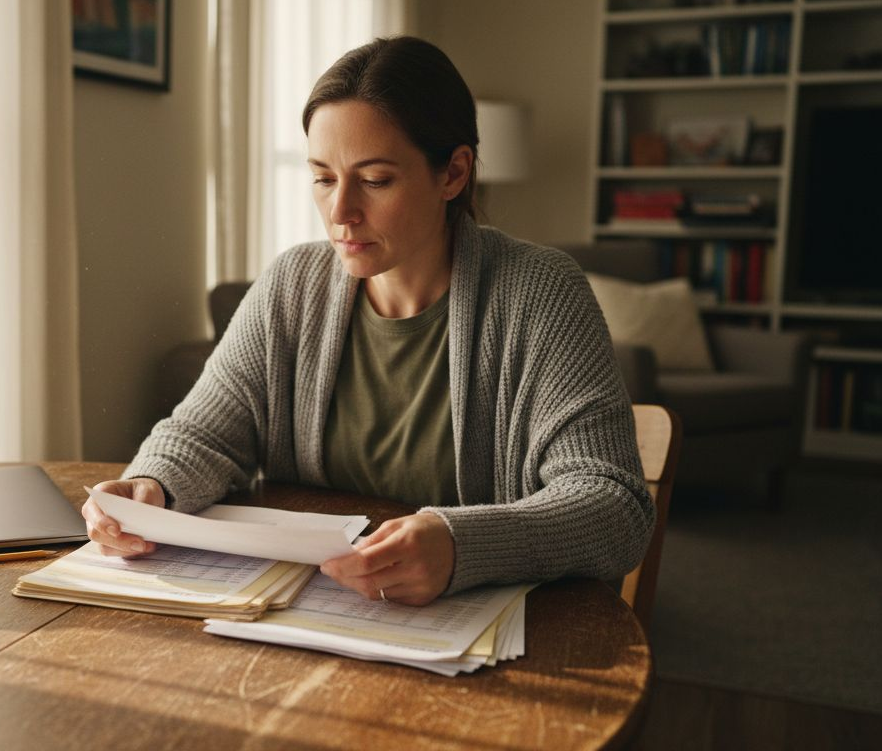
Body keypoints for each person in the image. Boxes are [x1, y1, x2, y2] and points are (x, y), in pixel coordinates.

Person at [82, 36, 654, 606]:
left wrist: (462, 545)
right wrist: (150, 485)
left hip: (474, 634)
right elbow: (202, 435)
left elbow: (613, 503)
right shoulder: (292, 285)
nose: (340, 214)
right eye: (324, 178)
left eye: (375, 180)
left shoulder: (542, 293)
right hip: (307, 614)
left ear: (453, 173)